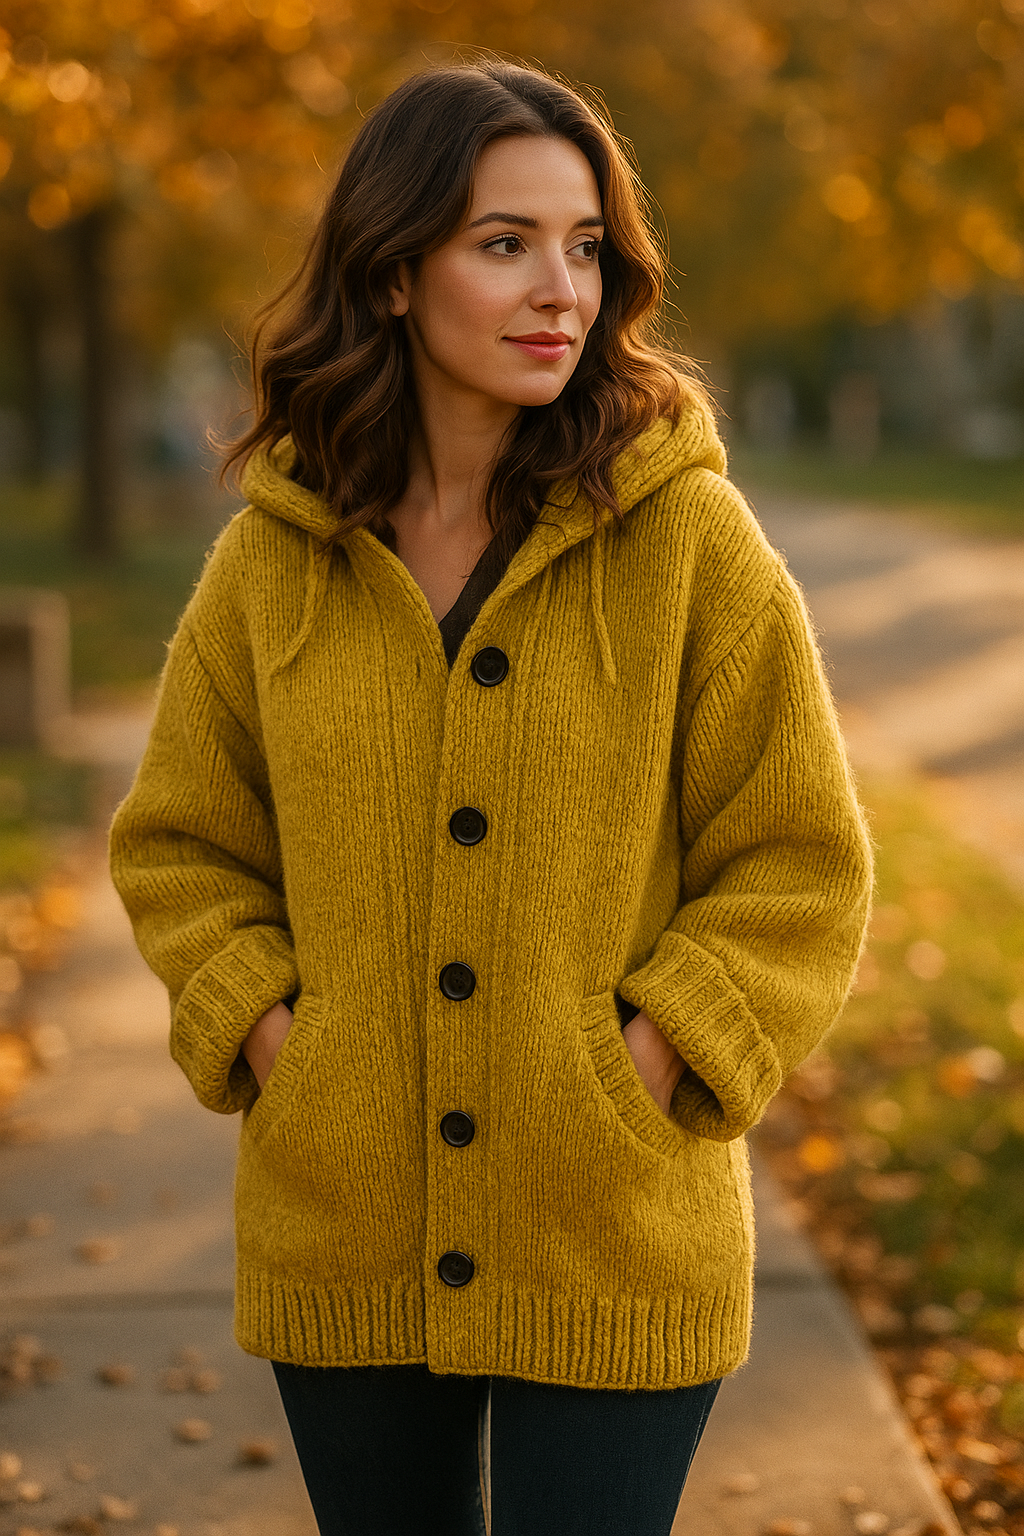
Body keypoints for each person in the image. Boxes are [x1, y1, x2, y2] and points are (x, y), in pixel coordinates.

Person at [109, 58, 873, 1536]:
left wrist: (651, 1062)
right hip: (347, 1217)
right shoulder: (277, 561)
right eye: (504, 242)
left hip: (618, 1216)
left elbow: (798, 862)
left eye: (585, 247)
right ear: (394, 275)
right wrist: (278, 1034)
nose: (560, 291)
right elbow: (184, 842)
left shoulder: (686, 541)